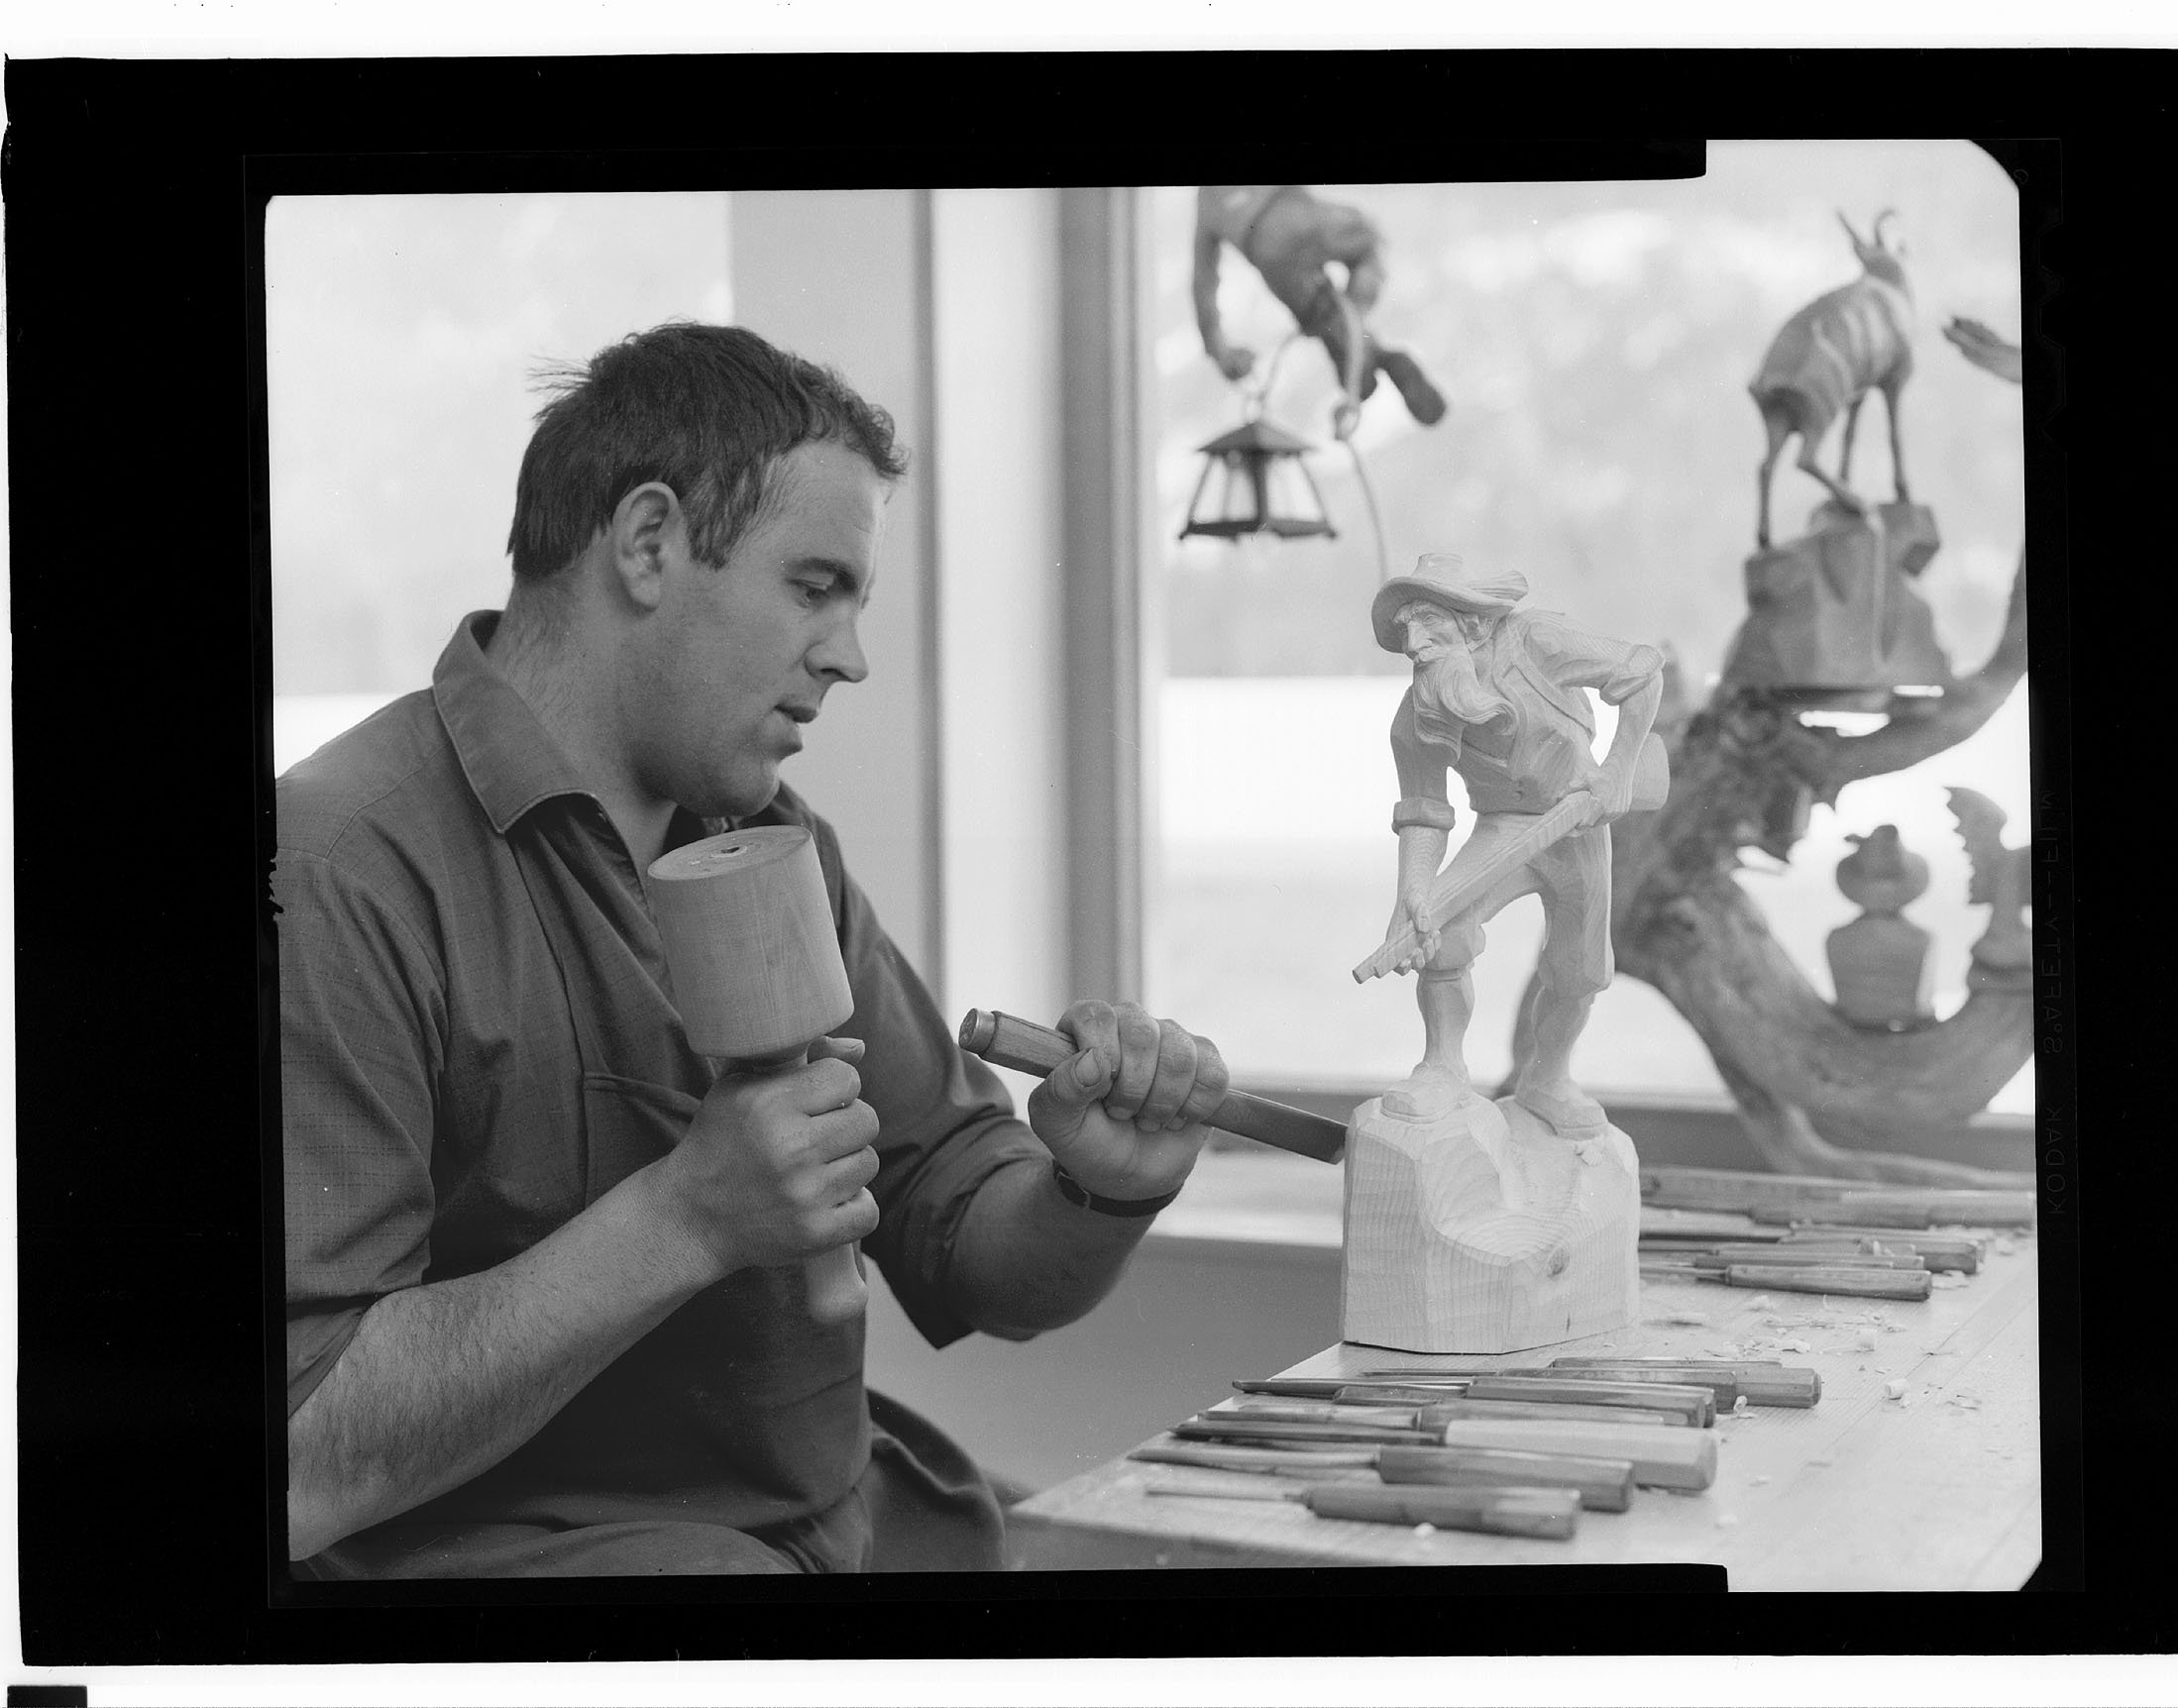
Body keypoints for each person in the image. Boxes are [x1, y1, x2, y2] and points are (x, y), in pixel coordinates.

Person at [276, 322, 1230, 1577]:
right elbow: (297, 1458)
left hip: (841, 1520)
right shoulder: (340, 867)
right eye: (814, 585)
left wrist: (1101, 1187)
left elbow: (976, 1253)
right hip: (582, 1575)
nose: (849, 655)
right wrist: (685, 1217)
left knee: (1188, 1567)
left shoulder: (773, 840)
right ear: (648, 541)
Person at [1368, 553, 1664, 1132]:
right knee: (1442, 929)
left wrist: (1618, 770)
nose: (1414, 645)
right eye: (1405, 630)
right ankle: (1442, 1067)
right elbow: (1425, 812)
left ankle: (1548, 1079)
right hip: (1501, 828)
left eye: (1428, 623)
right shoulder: (1419, 713)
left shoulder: (1537, 641)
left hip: (1575, 824)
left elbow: (1642, 675)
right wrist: (1414, 892)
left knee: (1580, 970)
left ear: (1474, 622)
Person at [1192, 184, 1448, 433]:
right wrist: (1356, 306)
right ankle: (1357, 333)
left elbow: (1202, 283)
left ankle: (1354, 347)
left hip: (1269, 254)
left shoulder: (1206, 199)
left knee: (1322, 315)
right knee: (1369, 243)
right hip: (1306, 218)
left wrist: (1221, 353)